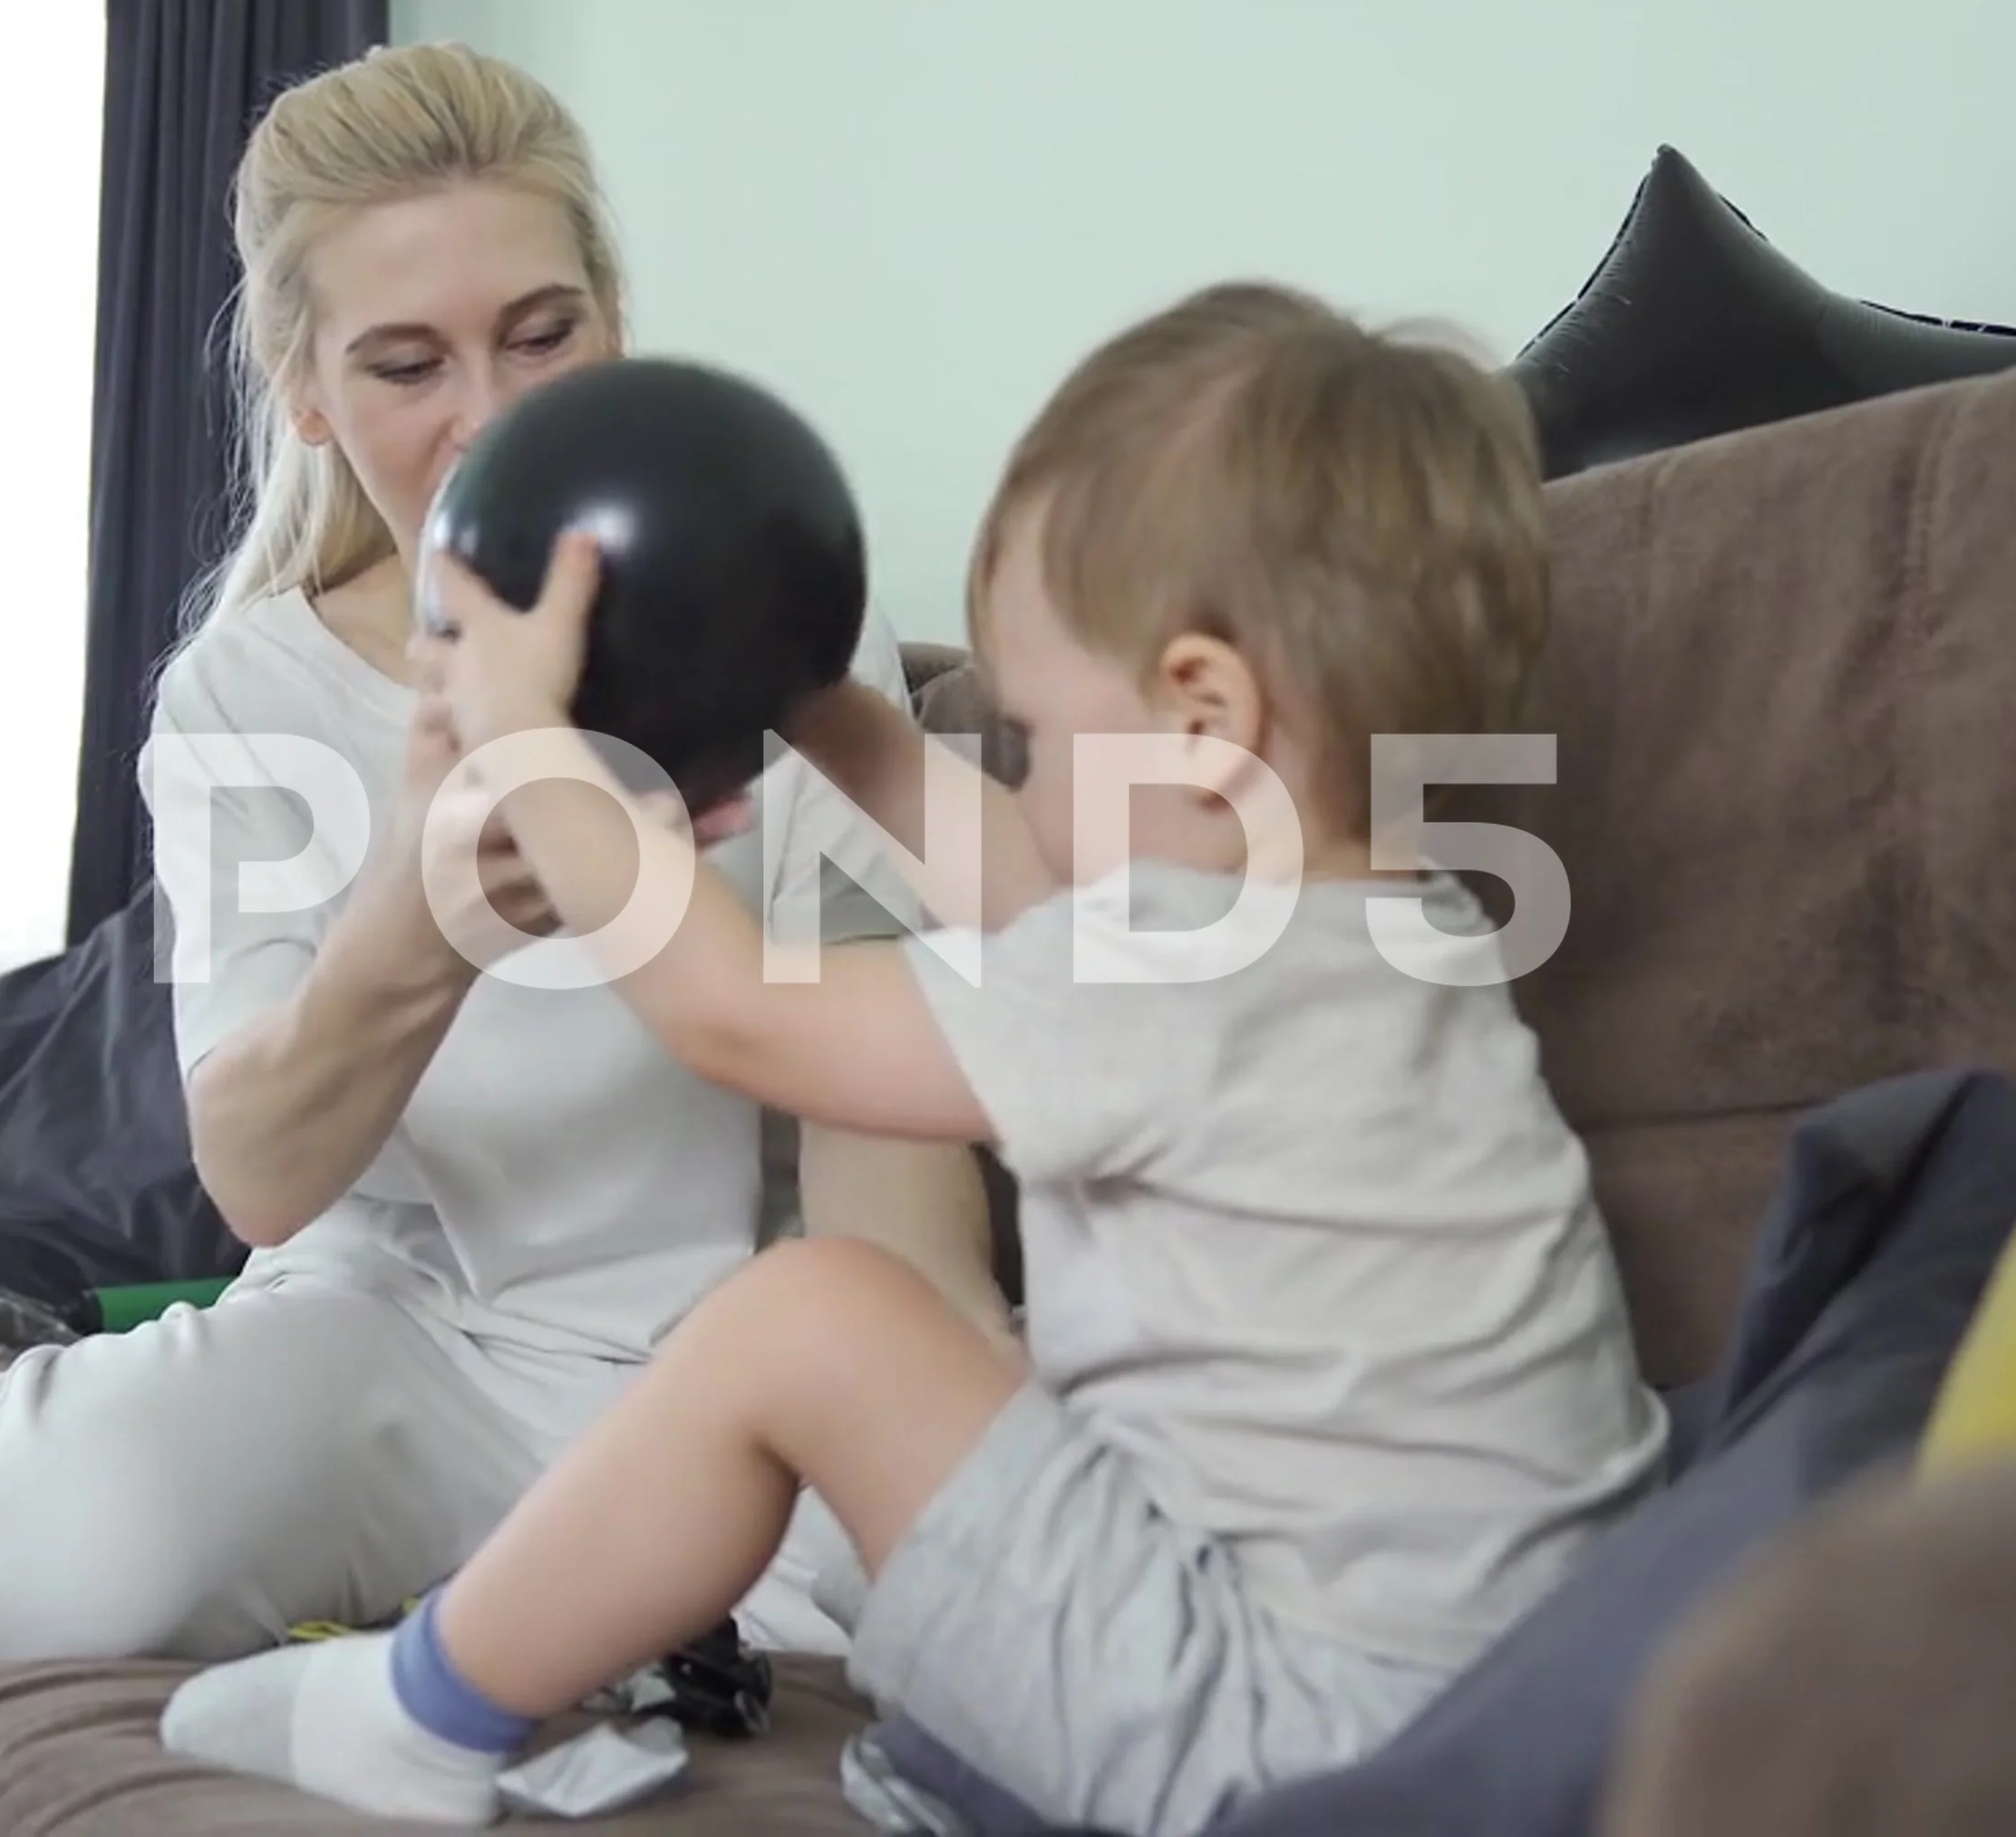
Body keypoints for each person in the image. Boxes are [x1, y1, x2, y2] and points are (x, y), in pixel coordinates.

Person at [153, 281, 1674, 1832]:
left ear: (1208, 719)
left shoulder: (1186, 983)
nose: (1028, 780)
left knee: (812, 1317)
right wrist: (821, 713)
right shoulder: (1373, 936)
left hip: (1292, 1741)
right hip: (1515, 1706)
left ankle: (415, 1712)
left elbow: (735, 1013)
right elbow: (1038, 896)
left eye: (1044, 736)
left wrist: (535, 742)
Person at [0, 41, 1013, 1671]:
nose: (490, 423)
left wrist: (962, 1444)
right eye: (407, 366)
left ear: (615, 320)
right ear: (308, 390)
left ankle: (533, 1598)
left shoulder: (785, 623)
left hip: (737, 1356)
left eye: (542, 338)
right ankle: (546, 1591)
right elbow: (264, 1176)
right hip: (402, 1341)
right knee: (40, 1560)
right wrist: (417, 922)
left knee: (973, 1568)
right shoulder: (244, 694)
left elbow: (892, 1174)